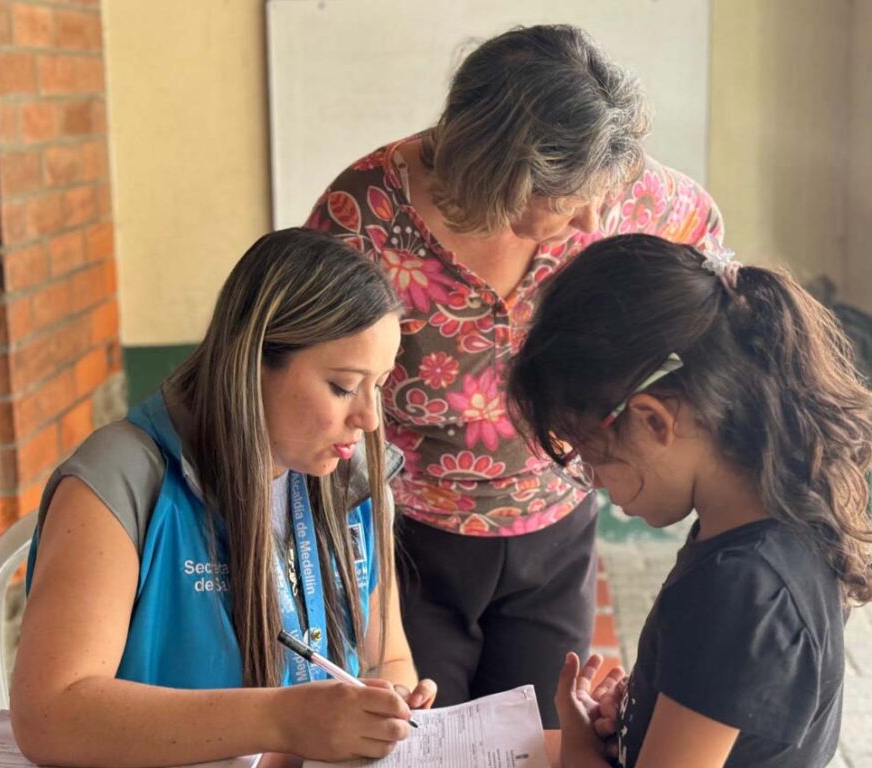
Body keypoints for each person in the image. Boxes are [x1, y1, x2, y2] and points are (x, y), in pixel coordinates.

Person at [305, 23, 724, 726]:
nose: (595, 217)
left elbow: (720, 290)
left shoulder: (626, 194)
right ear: (496, 171)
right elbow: (310, 381)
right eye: (567, 198)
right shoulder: (366, 218)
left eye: (603, 193)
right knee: (422, 734)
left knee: (541, 735)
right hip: (411, 535)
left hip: (556, 524)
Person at [9, 228, 436, 767]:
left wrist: (386, 710)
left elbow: (386, 659)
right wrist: (280, 720)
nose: (370, 419)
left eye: (379, 384)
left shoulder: (351, 479)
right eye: (343, 385)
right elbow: (50, 714)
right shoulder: (122, 477)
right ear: (252, 362)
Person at [508, 233, 872, 767]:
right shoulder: (769, 520)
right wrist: (645, 717)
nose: (594, 483)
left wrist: (576, 744)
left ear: (653, 420)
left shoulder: (740, 588)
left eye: (591, 458)